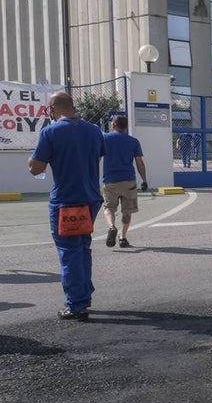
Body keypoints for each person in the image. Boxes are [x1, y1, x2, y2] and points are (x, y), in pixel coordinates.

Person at [27, 91, 106, 321]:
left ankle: (76, 303)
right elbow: (97, 156)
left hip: (66, 200)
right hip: (91, 197)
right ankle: (84, 294)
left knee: (69, 251)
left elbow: (36, 168)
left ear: (52, 108)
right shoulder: (94, 130)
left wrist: (31, 162)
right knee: (82, 248)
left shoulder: (50, 132)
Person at [101, 115, 148, 249]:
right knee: (127, 211)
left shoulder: (105, 139)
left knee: (109, 208)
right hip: (129, 181)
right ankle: (123, 237)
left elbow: (96, 158)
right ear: (126, 126)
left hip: (110, 181)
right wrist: (144, 180)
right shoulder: (133, 141)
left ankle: (111, 227)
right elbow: (140, 163)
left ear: (114, 125)